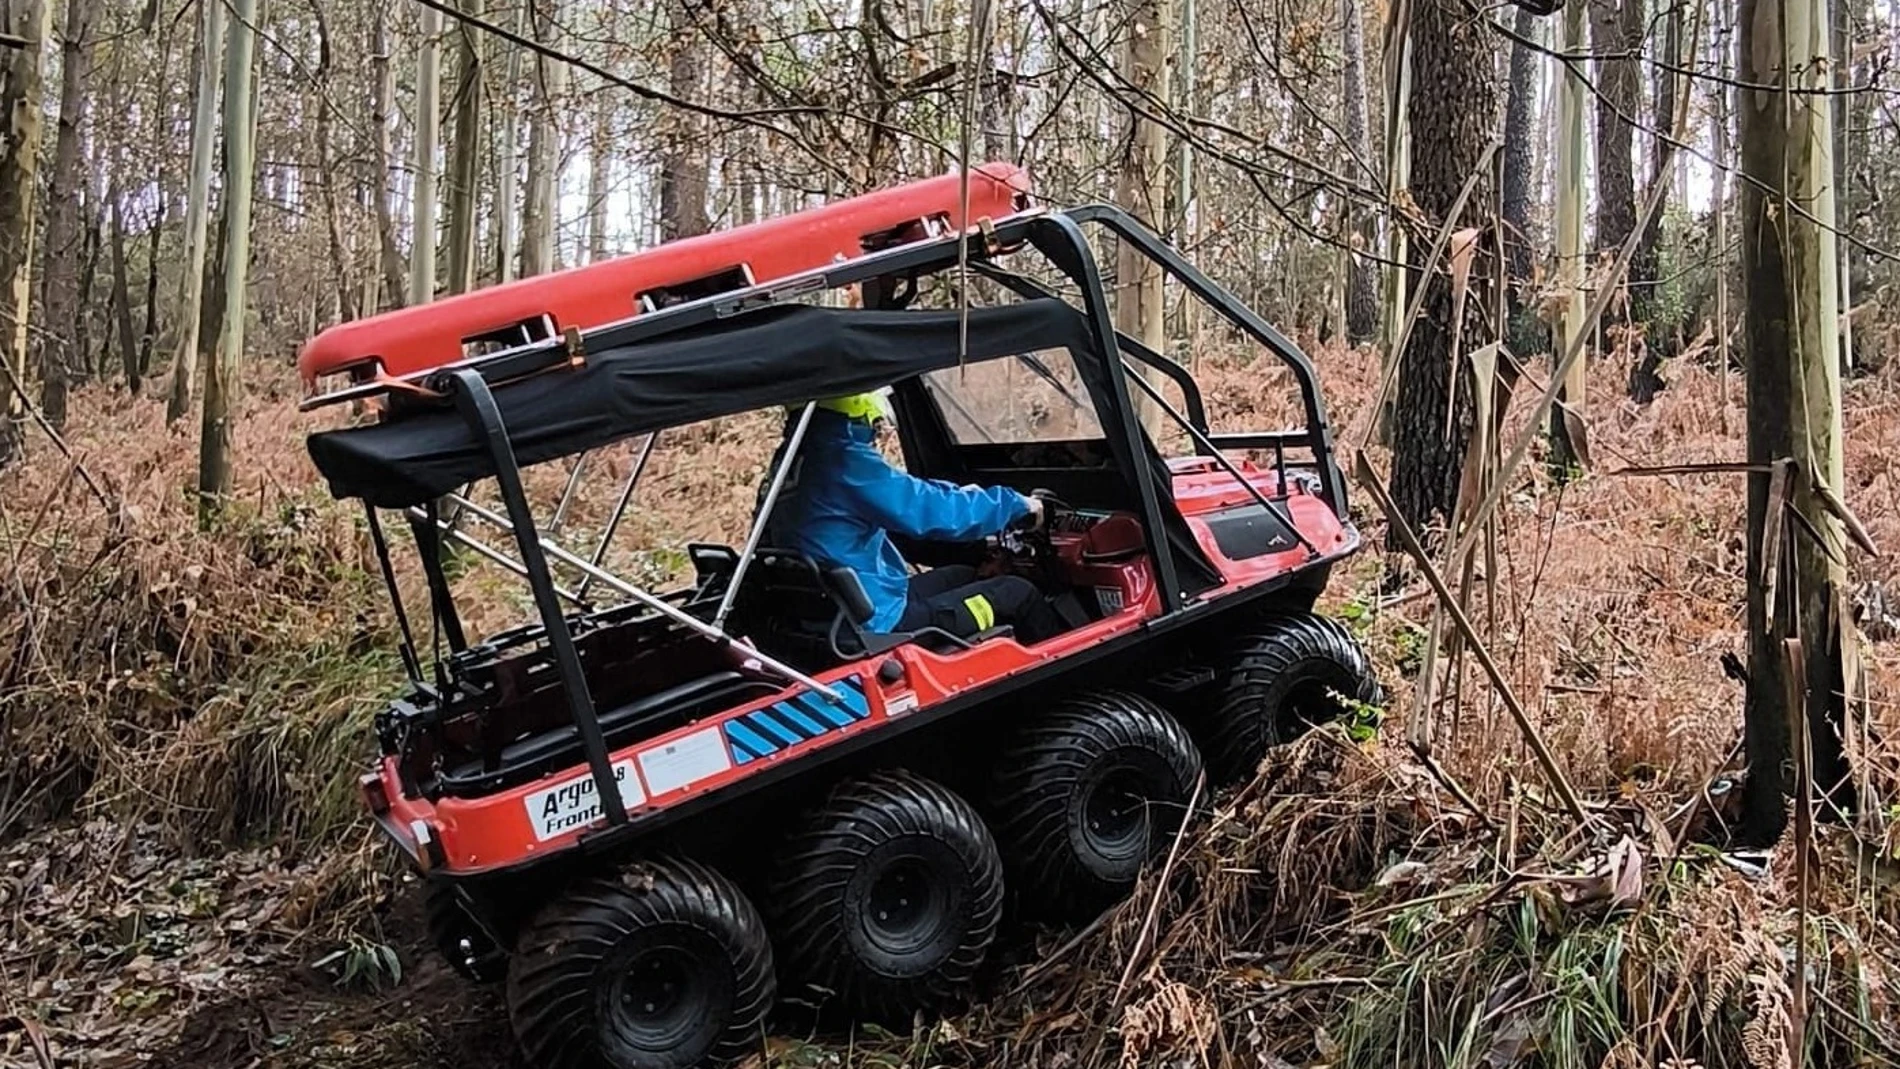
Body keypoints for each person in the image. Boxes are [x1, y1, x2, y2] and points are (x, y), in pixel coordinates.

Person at [766, 391, 1067, 645]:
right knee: (1019, 593)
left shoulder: (795, 460)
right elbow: (930, 511)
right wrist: (1019, 506)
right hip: (877, 626)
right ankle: (1072, 689)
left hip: (838, 614)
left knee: (965, 574)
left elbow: (908, 493)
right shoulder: (842, 460)